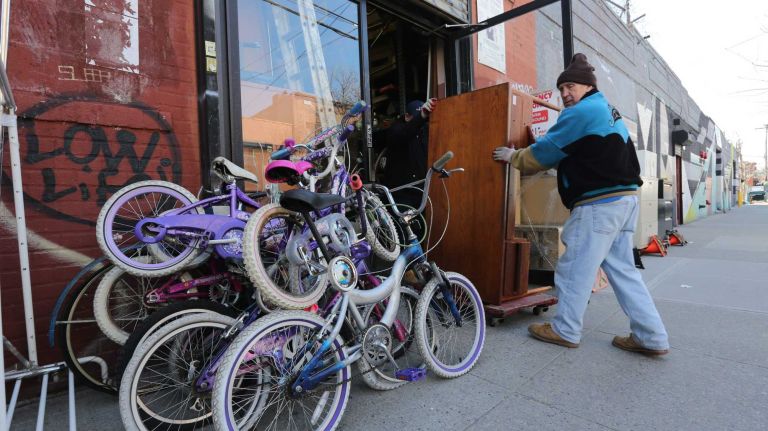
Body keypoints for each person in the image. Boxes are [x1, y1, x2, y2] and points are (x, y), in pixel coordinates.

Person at [492, 53, 669, 356]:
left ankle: (565, 330)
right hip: (625, 200)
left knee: (575, 268)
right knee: (624, 272)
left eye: (570, 86)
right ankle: (652, 337)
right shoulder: (605, 109)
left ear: (587, 86)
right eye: (561, 89)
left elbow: (545, 152)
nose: (564, 94)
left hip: (600, 203)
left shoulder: (581, 112)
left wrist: (514, 157)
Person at [381, 98, 436, 239]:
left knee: (422, 234)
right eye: (416, 116)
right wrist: (421, 117)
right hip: (401, 195)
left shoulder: (426, 131)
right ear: (406, 116)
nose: (421, 121)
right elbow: (405, 133)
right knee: (406, 236)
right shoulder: (396, 130)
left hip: (421, 193)